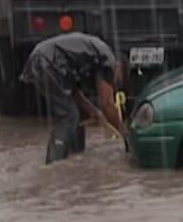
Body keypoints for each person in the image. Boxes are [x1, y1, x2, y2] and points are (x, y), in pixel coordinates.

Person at [20, 32, 126, 164]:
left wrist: (93, 111)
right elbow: (107, 104)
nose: (114, 83)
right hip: (47, 62)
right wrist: (124, 135)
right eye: (117, 80)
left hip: (41, 59)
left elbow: (75, 94)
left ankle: (70, 158)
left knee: (75, 113)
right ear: (119, 66)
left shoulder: (90, 57)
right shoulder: (107, 60)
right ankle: (54, 164)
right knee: (69, 116)